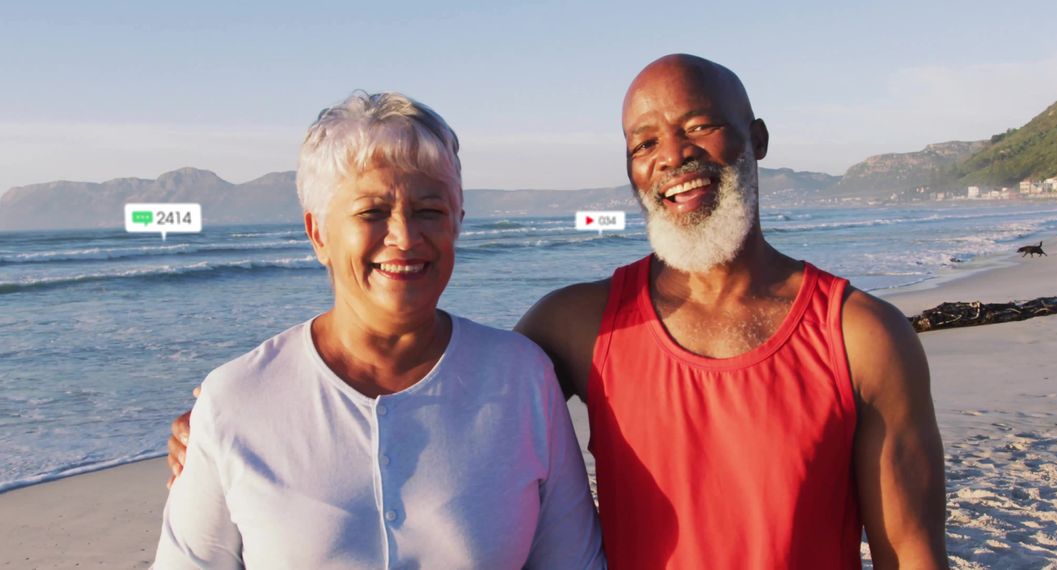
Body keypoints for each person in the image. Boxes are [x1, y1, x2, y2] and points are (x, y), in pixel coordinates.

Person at [169, 55, 948, 568]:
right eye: (645, 140)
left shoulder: (859, 335)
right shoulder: (581, 326)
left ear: (758, 138)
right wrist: (226, 422)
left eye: (699, 124)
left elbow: (913, 554)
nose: (672, 154)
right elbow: (448, 402)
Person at [153, 92, 604, 569]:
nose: (405, 237)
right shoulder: (236, 401)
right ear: (319, 233)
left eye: (429, 210)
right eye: (372, 212)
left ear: (457, 223)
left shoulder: (522, 379)